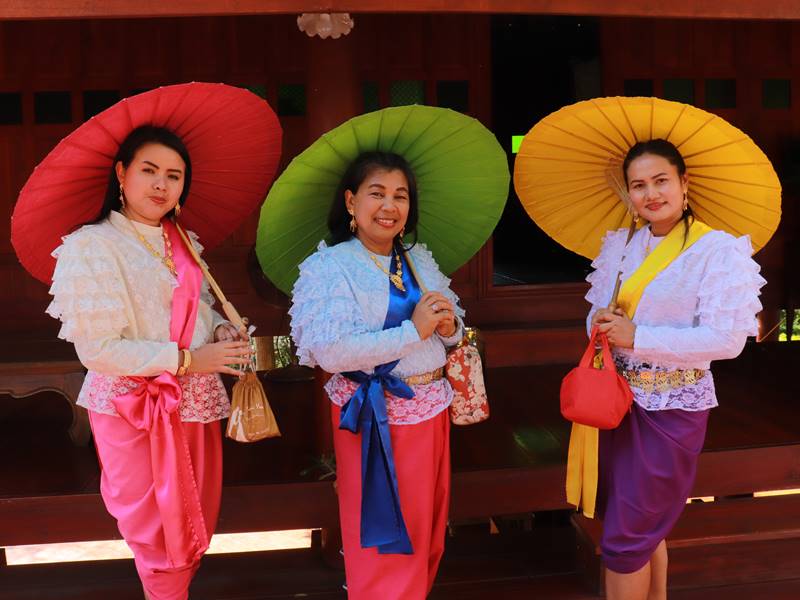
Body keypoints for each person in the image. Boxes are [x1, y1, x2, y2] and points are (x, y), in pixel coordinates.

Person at [47, 125, 251, 600]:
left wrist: (221, 331)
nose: (162, 184)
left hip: (195, 401)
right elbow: (97, 350)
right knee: (156, 533)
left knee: (194, 523)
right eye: (150, 170)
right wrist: (186, 360)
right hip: (133, 405)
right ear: (122, 173)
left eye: (174, 176)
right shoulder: (91, 245)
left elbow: (199, 313)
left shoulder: (183, 240)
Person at [586, 138, 765, 600]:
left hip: (672, 408)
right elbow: (594, 320)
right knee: (640, 525)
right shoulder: (622, 246)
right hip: (616, 405)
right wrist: (603, 320)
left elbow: (727, 341)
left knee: (626, 540)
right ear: (628, 192)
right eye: (638, 185)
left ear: (684, 183)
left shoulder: (717, 251)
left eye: (661, 180)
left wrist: (637, 336)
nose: (651, 194)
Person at [289, 151, 464, 599]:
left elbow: (452, 333)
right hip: (374, 418)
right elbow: (331, 351)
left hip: (430, 413)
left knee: (426, 531)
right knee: (388, 538)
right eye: (377, 193)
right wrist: (412, 330)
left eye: (400, 196)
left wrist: (448, 327)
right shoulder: (331, 266)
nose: (390, 206)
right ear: (351, 201)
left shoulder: (417, 259)